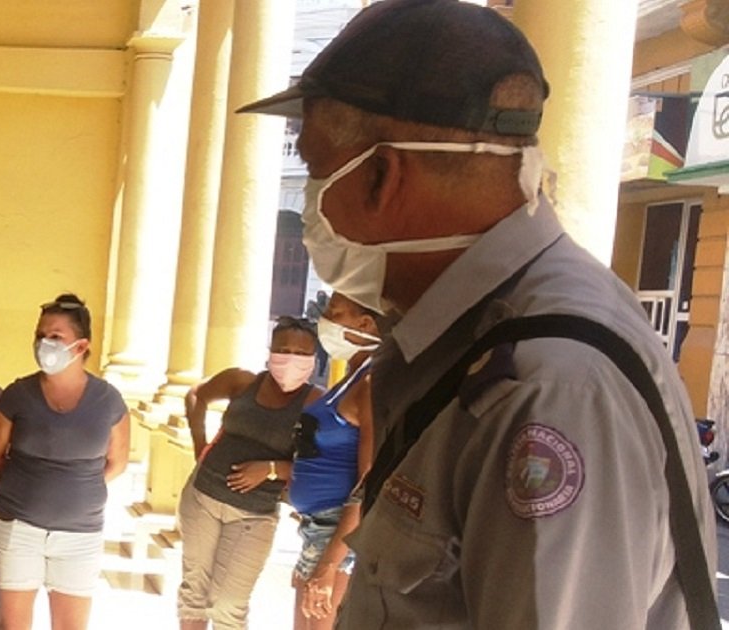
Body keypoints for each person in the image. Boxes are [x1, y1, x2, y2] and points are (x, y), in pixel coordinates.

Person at [240, 0, 716, 627]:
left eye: (314, 168)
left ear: (382, 177)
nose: (309, 201)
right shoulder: (462, 340)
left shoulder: (549, 387)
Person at [0, 294, 129, 630]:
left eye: (55, 336)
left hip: (80, 536)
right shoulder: (18, 394)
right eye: (40, 335)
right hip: (18, 528)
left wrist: (75, 486)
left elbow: (116, 462)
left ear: (81, 346)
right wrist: (33, 481)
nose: (43, 343)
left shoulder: (108, 400)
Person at [177, 316, 323, 630]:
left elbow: (323, 464)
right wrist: (200, 445)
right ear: (270, 351)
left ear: (314, 359)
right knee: (194, 592)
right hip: (203, 498)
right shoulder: (243, 382)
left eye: (301, 353)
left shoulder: (315, 402)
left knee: (229, 605)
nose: (291, 359)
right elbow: (196, 395)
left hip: (255, 515)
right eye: (283, 349)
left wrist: (272, 468)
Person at [289, 293, 382, 630]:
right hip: (317, 528)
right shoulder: (350, 378)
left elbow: (368, 478)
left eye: (335, 311)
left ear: (365, 324)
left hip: (336, 534)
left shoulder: (369, 385)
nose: (324, 318)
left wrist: (330, 564)